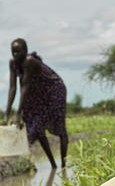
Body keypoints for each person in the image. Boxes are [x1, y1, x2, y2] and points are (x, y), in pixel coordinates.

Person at [4, 38, 69, 168]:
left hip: (53, 90)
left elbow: (25, 86)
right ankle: (53, 165)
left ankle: (63, 165)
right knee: (38, 128)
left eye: (18, 51)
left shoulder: (29, 61)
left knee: (60, 128)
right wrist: (6, 115)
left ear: (25, 51)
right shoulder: (12, 63)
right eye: (13, 52)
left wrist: (17, 114)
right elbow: (13, 88)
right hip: (37, 92)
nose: (15, 55)